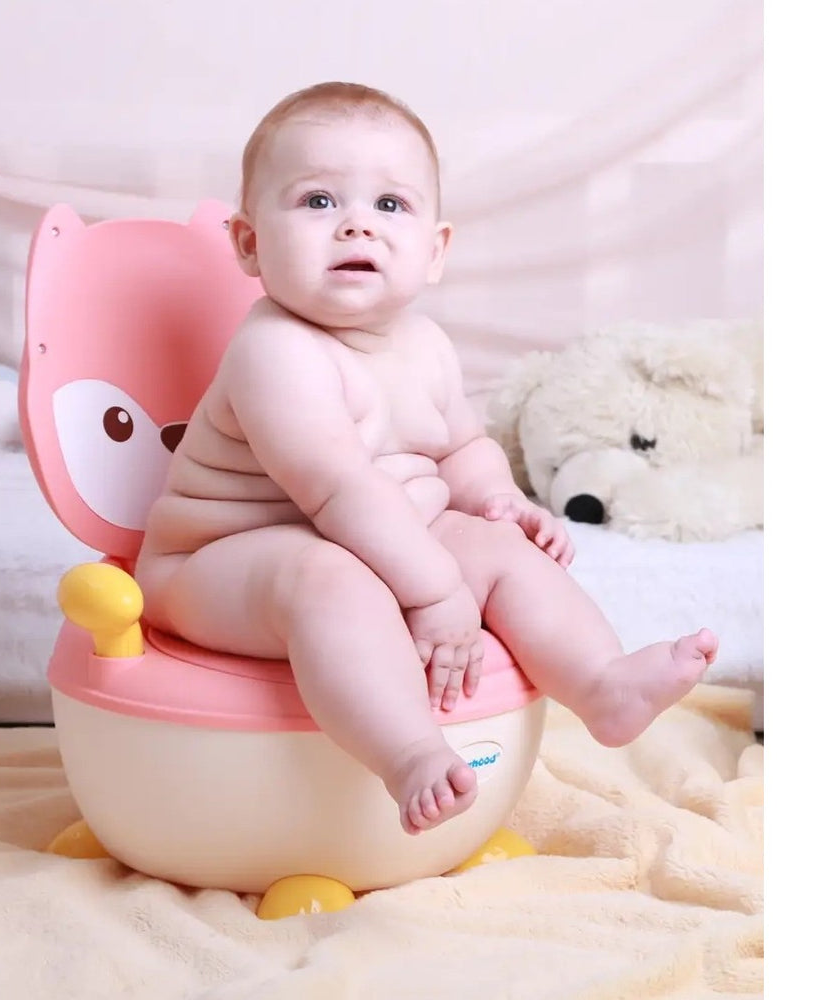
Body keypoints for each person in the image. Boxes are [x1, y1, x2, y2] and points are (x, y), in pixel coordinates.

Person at [135, 82, 717, 835]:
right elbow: (338, 490)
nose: (357, 226)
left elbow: (462, 447)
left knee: (497, 549)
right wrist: (438, 592)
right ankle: (409, 752)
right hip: (220, 562)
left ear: (434, 250)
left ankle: (602, 685)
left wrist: (500, 500)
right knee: (325, 577)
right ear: (249, 243)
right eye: (317, 201)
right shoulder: (273, 352)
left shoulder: (426, 345)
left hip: (379, 542)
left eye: (390, 205)